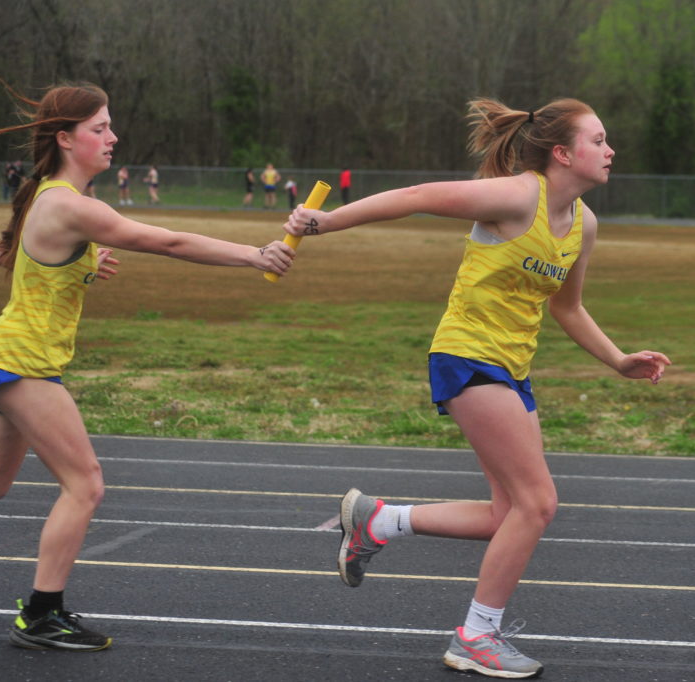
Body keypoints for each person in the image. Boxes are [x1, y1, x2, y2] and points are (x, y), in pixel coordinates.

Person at [0, 82, 295, 653]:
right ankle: (41, 614)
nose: (113, 137)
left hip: (12, 357)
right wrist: (253, 255)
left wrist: (85, 263)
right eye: (100, 128)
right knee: (85, 485)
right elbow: (169, 241)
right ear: (66, 138)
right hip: (23, 362)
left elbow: (40, 261)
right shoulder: (69, 204)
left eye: (110, 126)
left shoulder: (56, 201)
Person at [284, 98, 671, 679]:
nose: (611, 150)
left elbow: (567, 307)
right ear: (563, 153)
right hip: (467, 355)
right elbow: (416, 197)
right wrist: (326, 222)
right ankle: (476, 636)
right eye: (598, 140)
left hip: (512, 368)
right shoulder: (515, 197)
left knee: (506, 514)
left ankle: (378, 521)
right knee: (538, 503)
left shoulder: (583, 224)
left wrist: (619, 360)